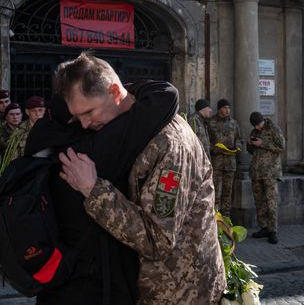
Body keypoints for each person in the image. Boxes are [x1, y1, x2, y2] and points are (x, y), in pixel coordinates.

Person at [0, 80, 180, 304]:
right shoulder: (91, 151)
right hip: (97, 285)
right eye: (87, 110)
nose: (91, 121)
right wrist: (113, 89)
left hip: (57, 285)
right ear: (75, 115)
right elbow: (166, 95)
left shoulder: (41, 140)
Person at [52, 53, 226, 304]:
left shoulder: (170, 144)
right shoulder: (127, 124)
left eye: (88, 112)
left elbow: (158, 239)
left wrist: (93, 190)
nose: (84, 123)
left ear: (114, 91)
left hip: (179, 294)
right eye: (77, 116)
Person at [247, 112, 285, 245]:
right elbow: (252, 151)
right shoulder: (254, 131)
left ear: (262, 120)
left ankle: (273, 231)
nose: (257, 128)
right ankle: (263, 227)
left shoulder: (274, 129)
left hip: (270, 172)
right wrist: (250, 145)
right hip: (256, 172)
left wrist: (263, 143)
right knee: (259, 201)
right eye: (254, 125)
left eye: (258, 124)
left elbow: (281, 146)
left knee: (271, 202)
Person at [208, 98, 242, 216]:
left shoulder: (234, 123)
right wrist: (214, 148)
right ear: (219, 109)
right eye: (224, 108)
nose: (227, 110)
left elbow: (239, 138)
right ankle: (215, 218)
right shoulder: (211, 122)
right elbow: (206, 140)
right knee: (216, 191)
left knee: (228, 192)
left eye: (228, 108)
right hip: (217, 162)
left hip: (230, 162)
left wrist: (237, 146)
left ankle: (226, 218)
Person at [7, 95, 47, 162]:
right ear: (27, 112)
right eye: (33, 111)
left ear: (44, 111)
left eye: (40, 110)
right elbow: (13, 160)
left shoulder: (50, 129)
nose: (37, 114)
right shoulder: (19, 131)